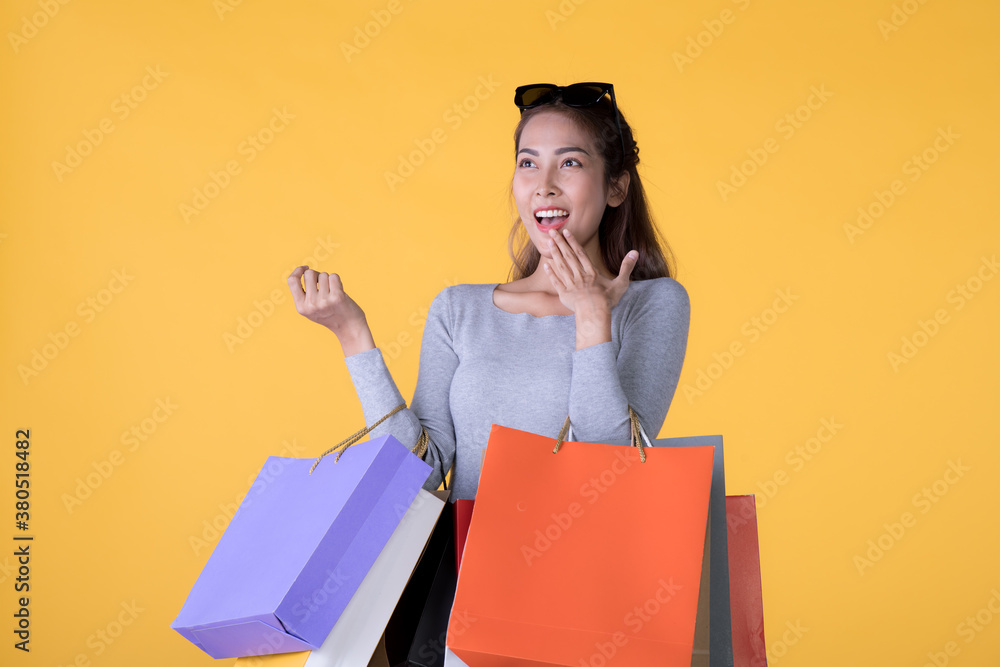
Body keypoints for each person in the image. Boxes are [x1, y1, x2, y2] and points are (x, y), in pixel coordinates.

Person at [287, 82, 690, 499]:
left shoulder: (654, 303)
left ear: (616, 188)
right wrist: (354, 337)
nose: (544, 185)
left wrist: (591, 317)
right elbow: (418, 473)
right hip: (467, 561)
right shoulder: (458, 310)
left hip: (585, 562)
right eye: (528, 164)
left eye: (570, 163)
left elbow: (615, 461)